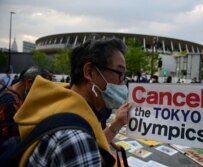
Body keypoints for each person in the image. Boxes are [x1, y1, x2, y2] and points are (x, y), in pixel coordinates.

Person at [14, 38, 132, 166]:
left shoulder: (59, 105)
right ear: (89, 72)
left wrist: (117, 123)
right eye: (119, 72)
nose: (123, 82)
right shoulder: (77, 140)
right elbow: (83, 144)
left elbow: (95, 141)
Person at [0, 66, 52, 158]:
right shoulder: (10, 101)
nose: (42, 93)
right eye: (41, 88)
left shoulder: (17, 96)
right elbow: (17, 134)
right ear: (29, 82)